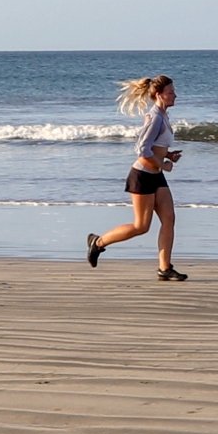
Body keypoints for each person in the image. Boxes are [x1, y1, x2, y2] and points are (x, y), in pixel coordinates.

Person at [86, 74, 187, 280]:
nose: (175, 95)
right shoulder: (155, 117)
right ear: (159, 95)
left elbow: (155, 146)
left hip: (156, 176)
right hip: (142, 176)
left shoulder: (163, 115)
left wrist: (168, 155)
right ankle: (98, 242)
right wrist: (163, 165)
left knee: (169, 219)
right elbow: (142, 149)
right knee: (141, 227)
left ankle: (165, 268)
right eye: (170, 92)